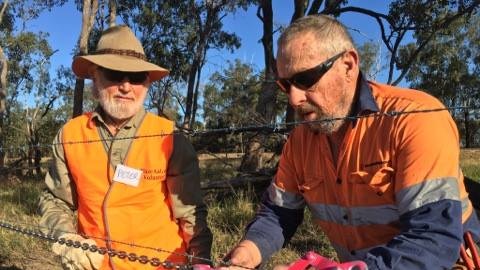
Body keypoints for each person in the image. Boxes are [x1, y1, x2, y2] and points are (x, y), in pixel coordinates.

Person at [222, 15, 480, 270]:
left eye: (305, 79)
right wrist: (247, 252)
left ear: (348, 65)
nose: (294, 99)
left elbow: (432, 238)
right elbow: (278, 214)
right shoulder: (299, 142)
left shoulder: (413, 120)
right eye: (285, 84)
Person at [38, 25, 212, 270]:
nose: (126, 86)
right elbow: (55, 199)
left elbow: (191, 213)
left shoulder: (170, 137)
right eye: (114, 73)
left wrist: (202, 262)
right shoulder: (70, 134)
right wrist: (67, 238)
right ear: (95, 77)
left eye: (137, 77)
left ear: (148, 83)